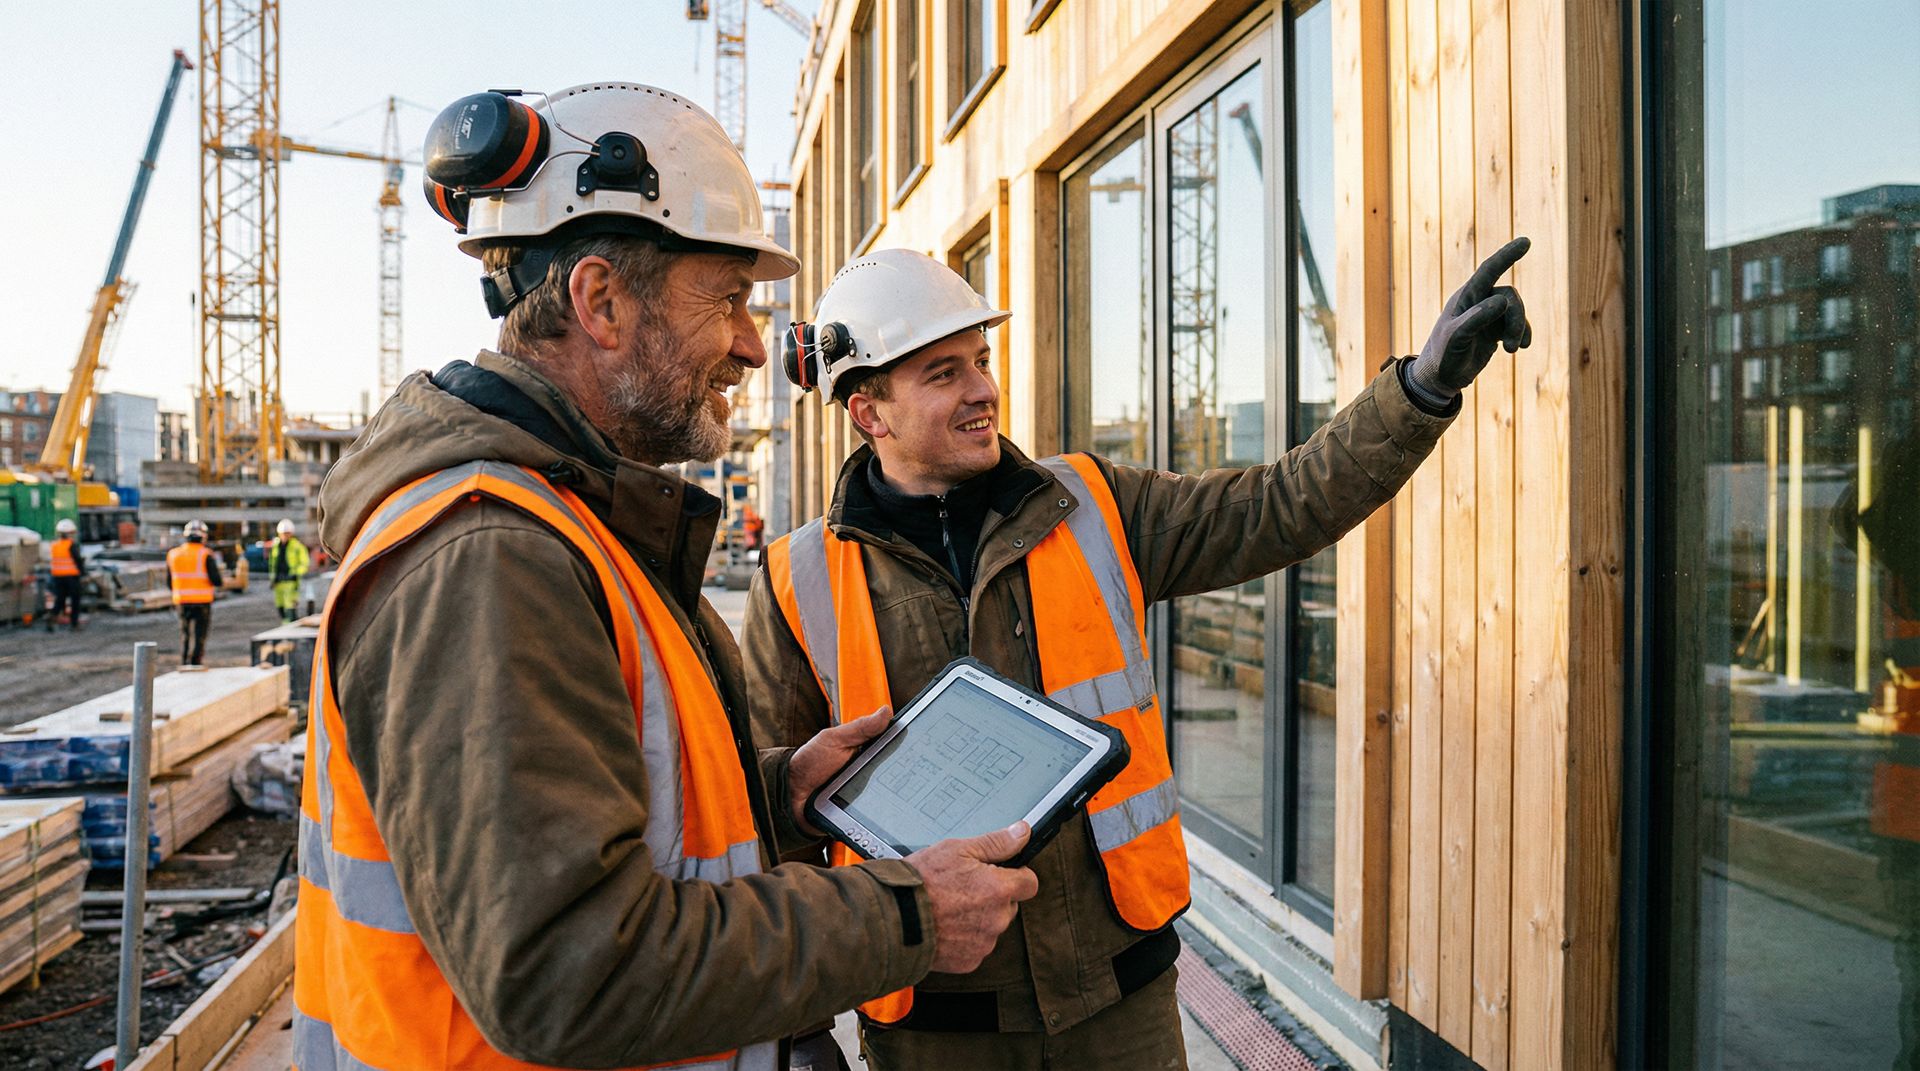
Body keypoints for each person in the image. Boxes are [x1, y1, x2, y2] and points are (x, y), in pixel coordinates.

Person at [294, 83, 1036, 1071]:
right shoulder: (490, 558)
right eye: (727, 300)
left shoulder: (567, 521)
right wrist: (904, 917)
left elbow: (598, 822)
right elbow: (569, 971)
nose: (753, 346)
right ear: (600, 300)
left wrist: (777, 795)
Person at [743, 243, 1532, 1069]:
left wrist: (1419, 391)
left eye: (980, 359)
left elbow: (1277, 506)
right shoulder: (797, 581)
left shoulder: (1091, 504)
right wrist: (795, 1032)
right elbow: (771, 817)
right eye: (943, 373)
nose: (984, 388)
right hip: (935, 1030)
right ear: (870, 412)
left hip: (1122, 1009)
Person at [166, 519, 221, 666]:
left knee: (185, 634)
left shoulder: (173, 554)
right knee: (199, 635)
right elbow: (216, 580)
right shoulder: (205, 554)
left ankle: (184, 661)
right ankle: (195, 662)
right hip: (202, 601)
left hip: (182, 601)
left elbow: (169, 581)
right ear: (203, 536)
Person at [46, 517, 85, 631]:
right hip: (71, 577)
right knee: (75, 600)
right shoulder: (71, 545)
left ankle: (52, 617)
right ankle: (74, 624)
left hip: (57, 577)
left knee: (60, 599)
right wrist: (83, 574)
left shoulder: (54, 545)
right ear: (70, 533)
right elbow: (77, 560)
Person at [267, 518, 309, 623]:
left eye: (287, 533)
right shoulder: (275, 546)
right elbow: (272, 564)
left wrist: (296, 573)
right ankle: (285, 626)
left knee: (290, 607)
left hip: (291, 582)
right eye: (283, 534)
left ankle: (289, 629)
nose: (285, 536)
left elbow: (304, 563)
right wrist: (272, 579)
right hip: (278, 582)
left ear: (291, 534)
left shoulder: (297, 546)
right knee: (280, 607)